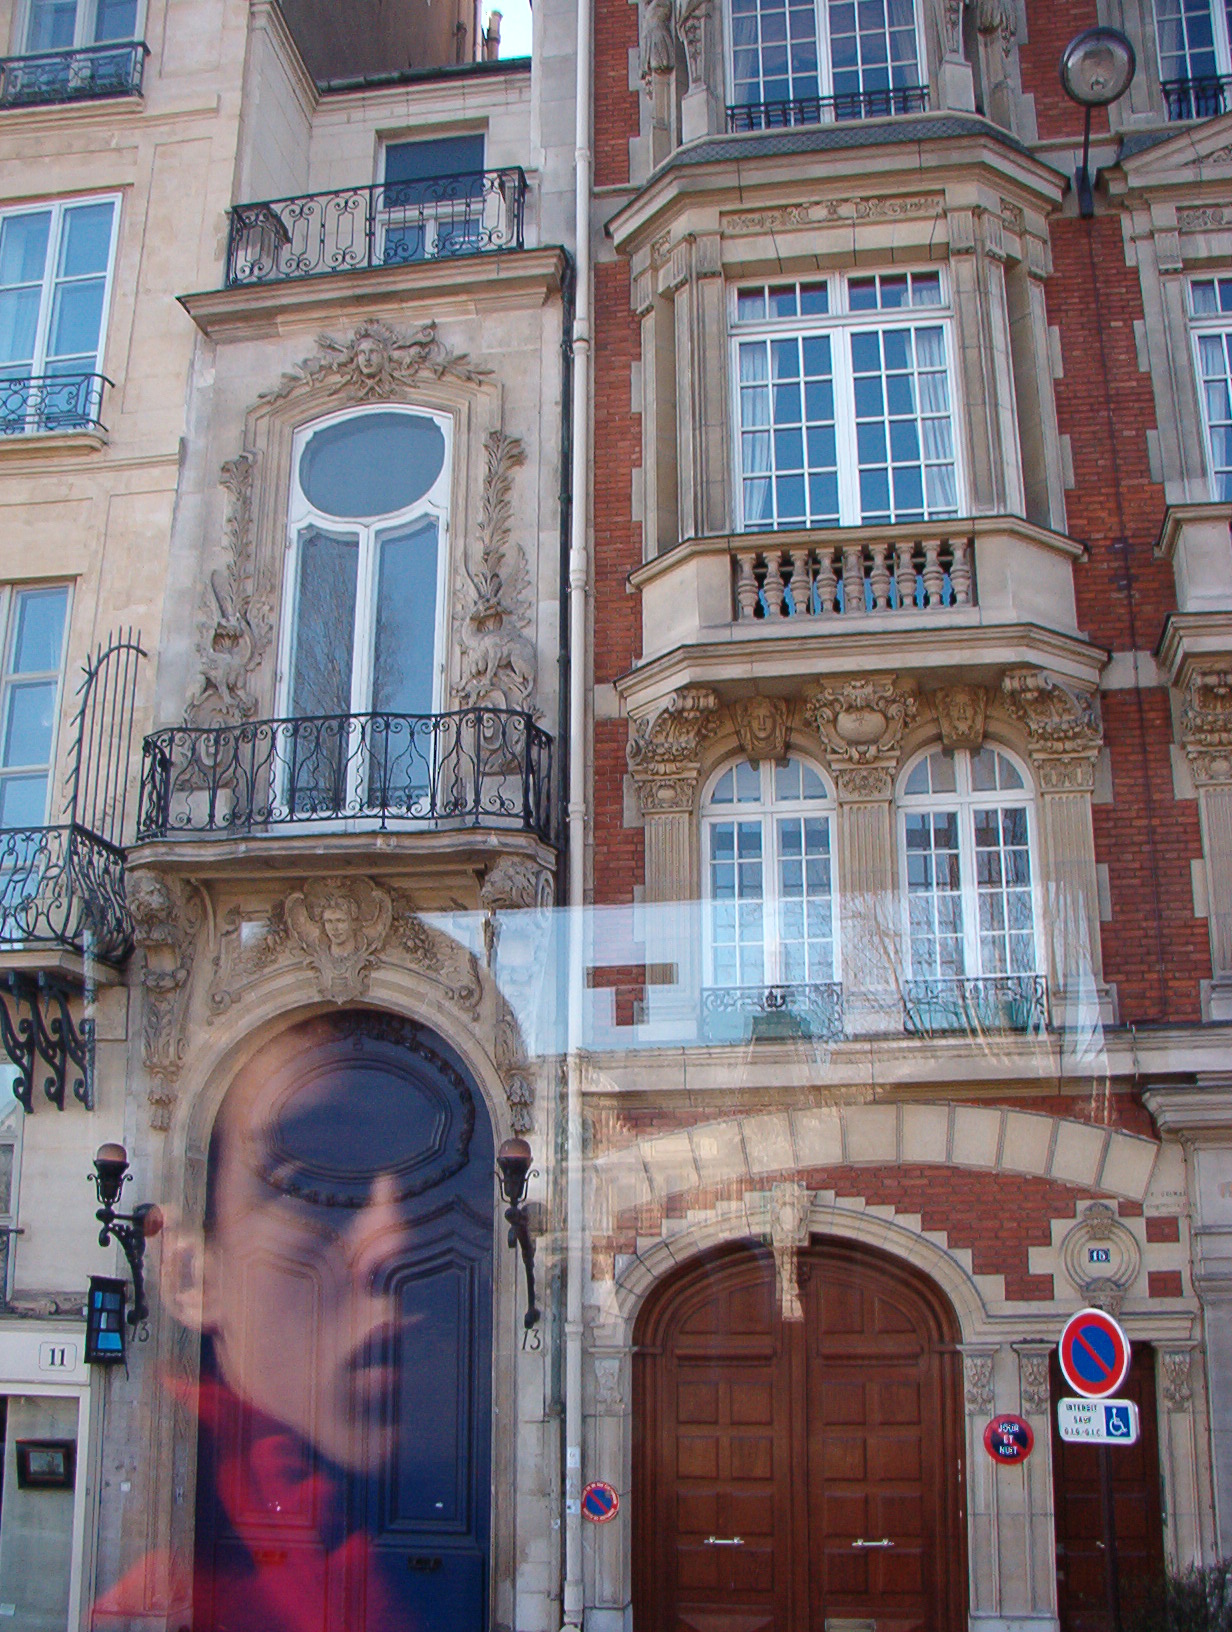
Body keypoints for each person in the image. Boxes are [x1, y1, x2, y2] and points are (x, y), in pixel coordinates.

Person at [96, 1013, 494, 1632]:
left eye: (417, 1170)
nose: (390, 1244)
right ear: (189, 1278)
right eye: (315, 1166)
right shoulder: (163, 1583)